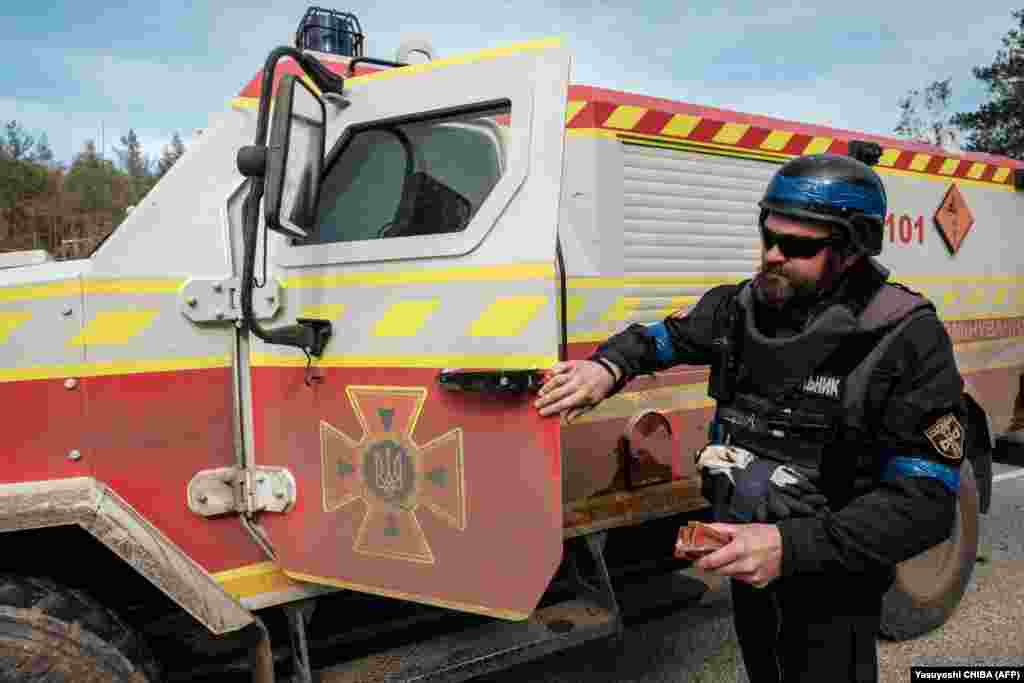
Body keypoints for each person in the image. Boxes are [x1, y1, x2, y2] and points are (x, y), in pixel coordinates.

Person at [534, 153, 966, 682]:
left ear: (853, 249)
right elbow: (661, 338)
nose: (773, 256)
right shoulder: (740, 308)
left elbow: (927, 502)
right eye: (768, 236)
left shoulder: (905, 336)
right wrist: (608, 366)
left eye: (799, 246)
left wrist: (789, 547)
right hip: (745, 549)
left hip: (829, 571)